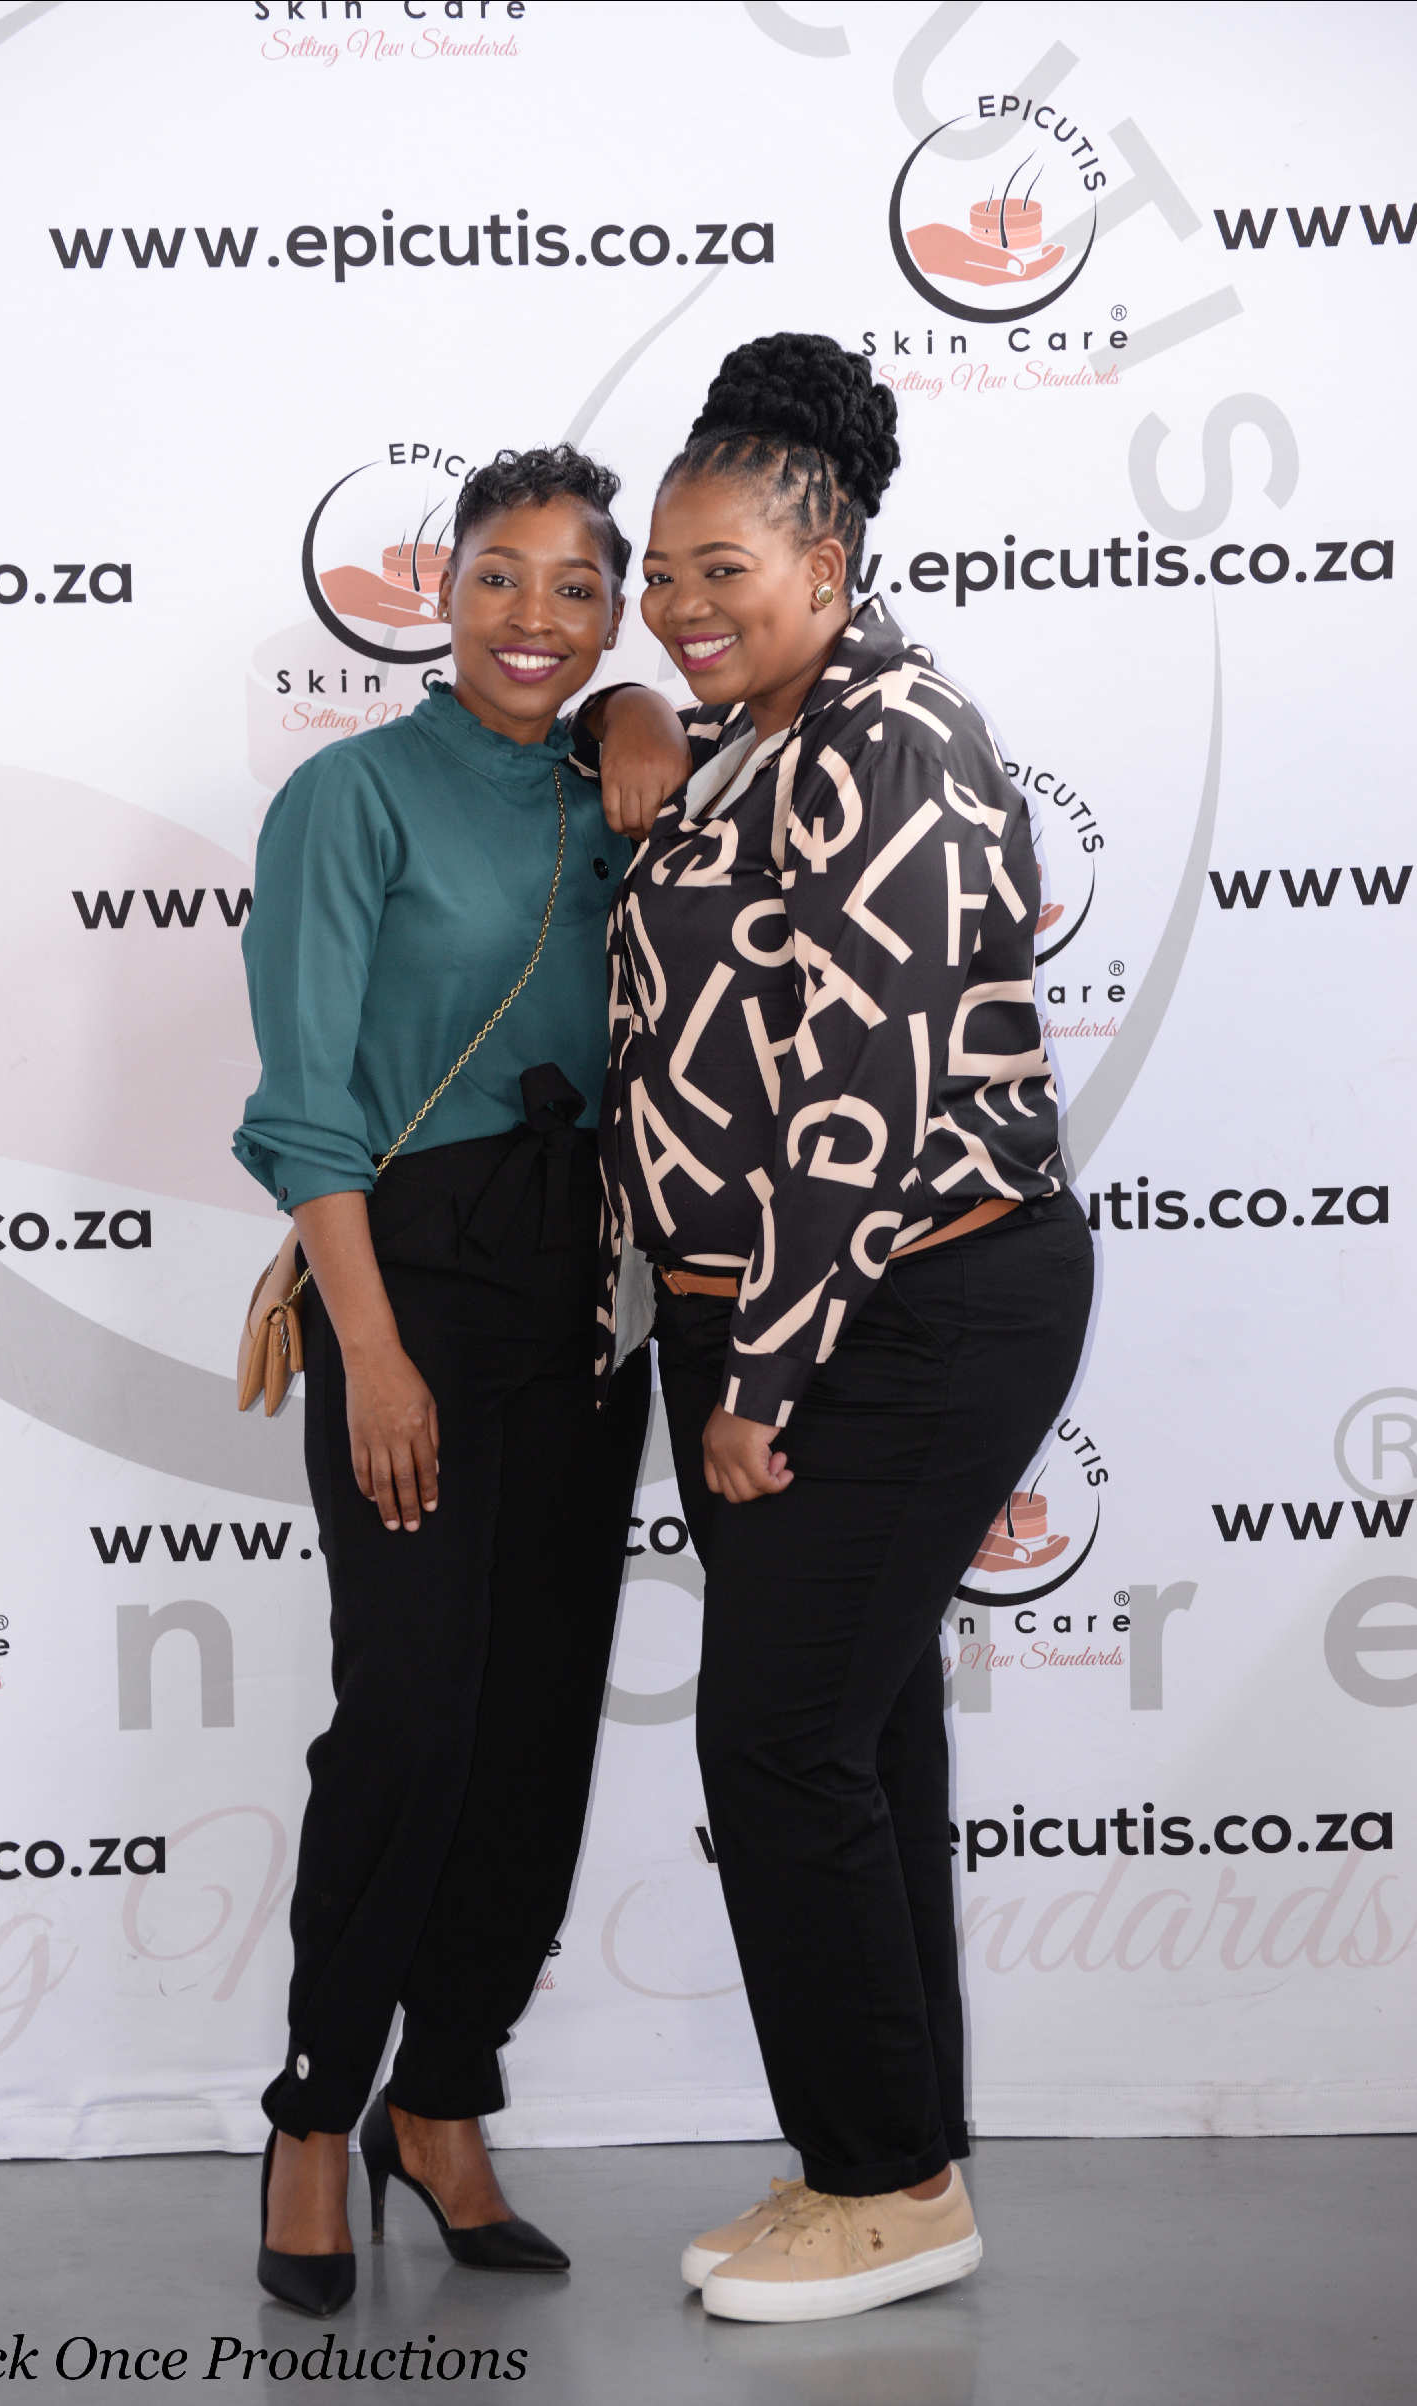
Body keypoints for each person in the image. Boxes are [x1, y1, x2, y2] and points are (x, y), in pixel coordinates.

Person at [582, 333, 1096, 2324]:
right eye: (661, 575)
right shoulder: (757, 730)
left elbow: (860, 1097)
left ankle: (881, 2184)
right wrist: (628, 705)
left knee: (780, 1737)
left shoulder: (887, 735)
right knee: (857, 1737)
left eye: (723, 572)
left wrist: (760, 1378)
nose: (681, 605)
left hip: (899, 1303)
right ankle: (889, 2160)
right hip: (784, 1309)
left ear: (829, 561)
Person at [232, 444, 674, 2315]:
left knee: (535, 1725)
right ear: (442, 589)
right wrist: (375, 1352)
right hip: (406, 1288)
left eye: (578, 590)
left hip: (588, 1298)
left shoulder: (623, 783)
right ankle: (314, 2111)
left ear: (614, 610)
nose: (533, 617)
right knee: (409, 1716)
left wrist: (643, 714)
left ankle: (445, 2094)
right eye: (500, 575)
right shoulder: (348, 797)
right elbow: (304, 1100)